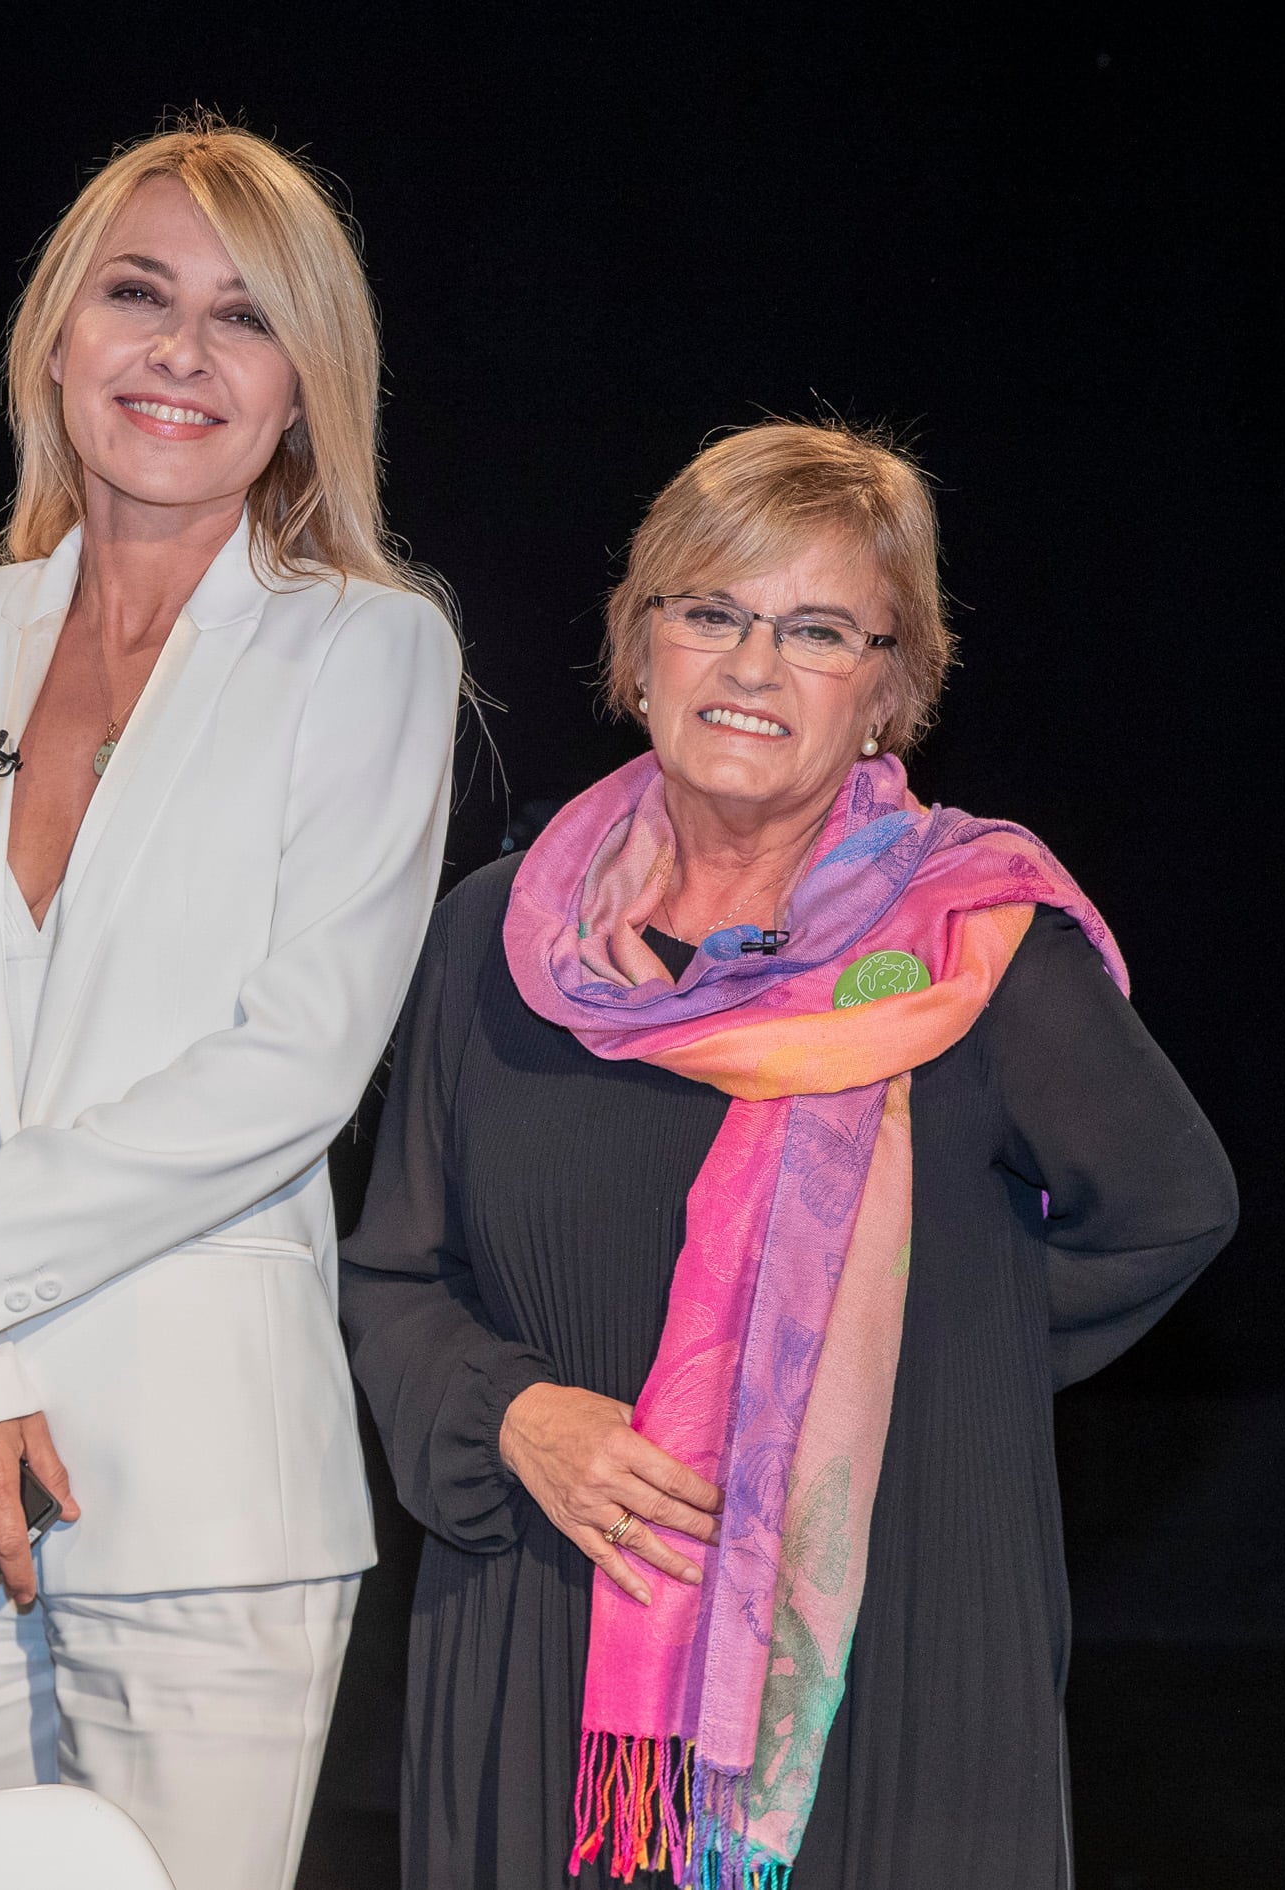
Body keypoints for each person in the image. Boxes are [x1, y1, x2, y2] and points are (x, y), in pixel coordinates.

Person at [341, 421, 1237, 1888]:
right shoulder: (495, 939)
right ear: (639, 651)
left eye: (817, 629)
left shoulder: (976, 950)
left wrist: (900, 1363)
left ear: (891, 690)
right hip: (544, 1631)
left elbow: (1168, 1212)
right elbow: (393, 1276)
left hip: (883, 1646)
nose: (752, 667)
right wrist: (513, 1417)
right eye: (711, 611)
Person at [0, 120, 462, 1890]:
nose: (181, 350)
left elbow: (290, 1069)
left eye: (245, 319)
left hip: (203, 1487)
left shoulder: (372, 649)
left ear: (305, 390)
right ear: (55, 339)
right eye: (139, 293)